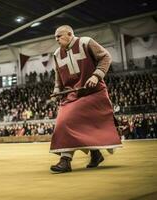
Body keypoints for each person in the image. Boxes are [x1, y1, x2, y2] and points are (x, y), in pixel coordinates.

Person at [50, 25, 122, 173]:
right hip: (72, 94)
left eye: (59, 36)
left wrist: (96, 75)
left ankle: (65, 160)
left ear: (69, 34)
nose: (56, 39)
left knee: (68, 121)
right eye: (55, 37)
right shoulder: (57, 53)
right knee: (63, 122)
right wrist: (57, 89)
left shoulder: (86, 42)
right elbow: (58, 73)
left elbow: (106, 57)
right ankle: (96, 154)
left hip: (94, 92)